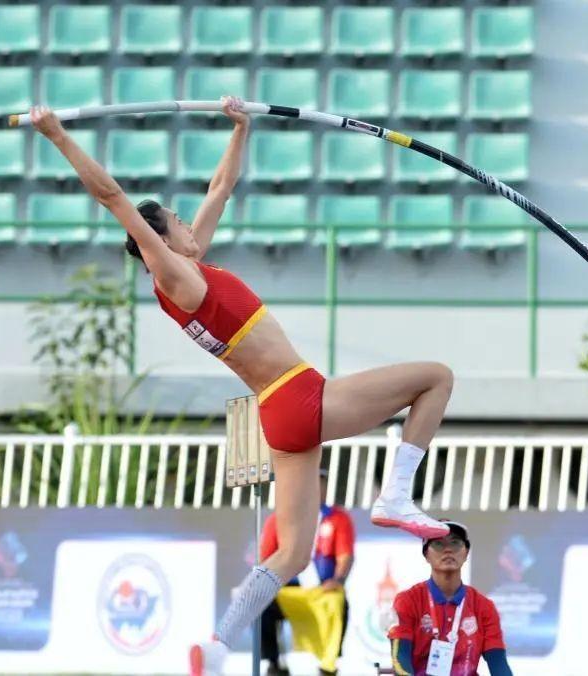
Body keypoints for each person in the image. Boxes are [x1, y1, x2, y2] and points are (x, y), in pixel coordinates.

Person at [27, 99, 453, 676]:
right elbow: (112, 196)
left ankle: (218, 644)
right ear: (159, 240)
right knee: (435, 378)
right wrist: (56, 134)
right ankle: (396, 494)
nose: (188, 223)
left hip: (277, 414)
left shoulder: (188, 267)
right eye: (177, 221)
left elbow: (221, 188)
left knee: (292, 553)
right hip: (299, 394)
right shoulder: (174, 275)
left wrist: (240, 128)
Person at [259, 469, 353, 676]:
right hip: (288, 590)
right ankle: (274, 663)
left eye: (320, 483)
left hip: (321, 590)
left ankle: (329, 664)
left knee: (339, 602)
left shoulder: (337, 518)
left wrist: (338, 580)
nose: (315, 488)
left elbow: (345, 556)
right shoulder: (279, 519)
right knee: (260, 603)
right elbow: (266, 559)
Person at [387, 521, 513, 676]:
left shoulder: (484, 606)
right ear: (426, 554)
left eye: (455, 543)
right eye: (439, 544)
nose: (448, 550)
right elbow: (400, 659)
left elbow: (499, 664)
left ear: (466, 553)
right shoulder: (407, 601)